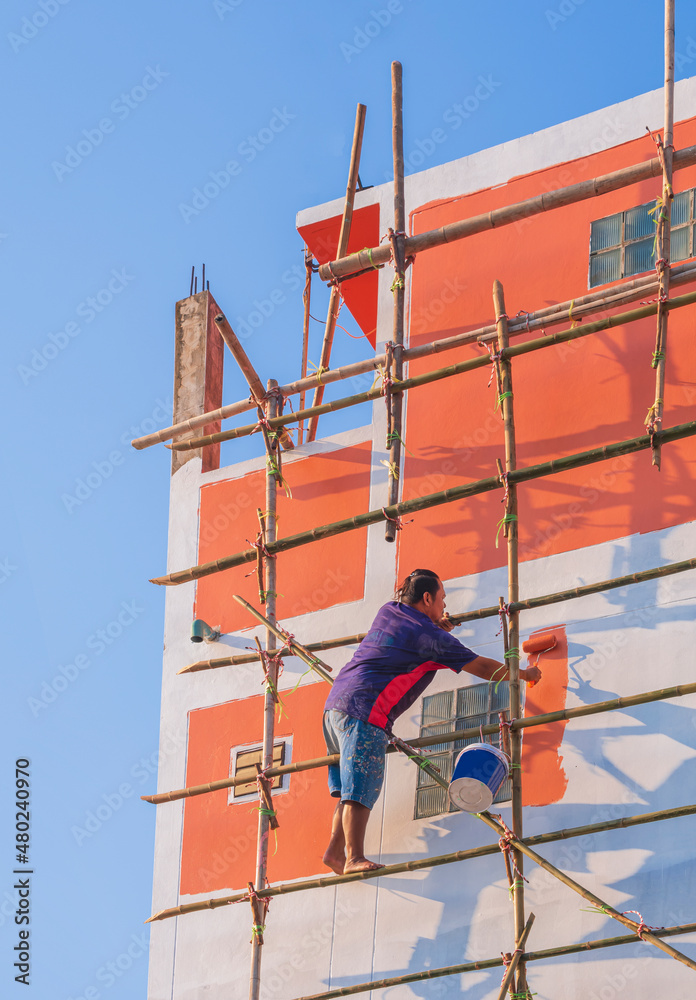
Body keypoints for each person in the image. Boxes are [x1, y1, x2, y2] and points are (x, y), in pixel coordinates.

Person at [322, 569, 541, 875]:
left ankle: (335, 851)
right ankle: (353, 857)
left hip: (335, 707)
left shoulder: (389, 611)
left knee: (349, 783)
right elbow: (480, 665)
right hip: (365, 708)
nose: (444, 607)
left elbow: (411, 636)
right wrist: (524, 674)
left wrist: (436, 625)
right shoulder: (432, 639)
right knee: (362, 786)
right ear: (427, 598)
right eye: (441, 600)